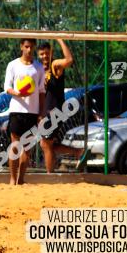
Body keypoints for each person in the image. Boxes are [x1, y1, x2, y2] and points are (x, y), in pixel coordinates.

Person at [37, 39, 90, 172]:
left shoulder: (55, 64)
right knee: (47, 144)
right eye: (41, 54)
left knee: (46, 144)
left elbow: (69, 60)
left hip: (54, 111)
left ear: (51, 53)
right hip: (49, 112)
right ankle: (78, 152)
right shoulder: (40, 70)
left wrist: (60, 39)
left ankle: (50, 176)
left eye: (46, 53)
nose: (44, 56)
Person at [4, 38, 45, 185]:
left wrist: (41, 113)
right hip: (17, 110)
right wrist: (18, 94)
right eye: (26, 46)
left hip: (32, 112)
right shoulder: (13, 65)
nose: (29, 50)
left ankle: (21, 180)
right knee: (15, 146)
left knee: (27, 149)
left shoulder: (38, 67)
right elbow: (7, 87)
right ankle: (12, 179)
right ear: (21, 46)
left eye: (31, 47)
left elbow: (41, 92)